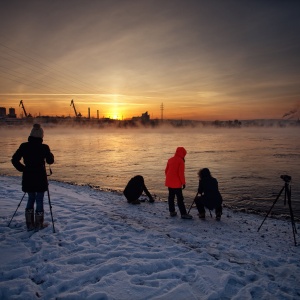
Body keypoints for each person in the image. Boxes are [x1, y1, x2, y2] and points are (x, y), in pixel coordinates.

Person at [11, 123, 54, 231]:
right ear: (41, 136)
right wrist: (49, 154)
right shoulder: (44, 147)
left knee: (31, 198)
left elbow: (14, 159)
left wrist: (23, 168)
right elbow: (50, 161)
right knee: (39, 199)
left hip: (28, 176)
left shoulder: (24, 146)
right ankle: (39, 224)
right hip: (40, 176)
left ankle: (29, 223)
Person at [165, 147, 192, 219]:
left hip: (169, 182)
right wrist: (183, 183)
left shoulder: (170, 160)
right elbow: (181, 174)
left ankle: (172, 211)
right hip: (176, 183)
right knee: (180, 199)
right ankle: (183, 214)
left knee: (171, 197)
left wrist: (169, 179)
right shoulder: (180, 161)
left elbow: (166, 171)